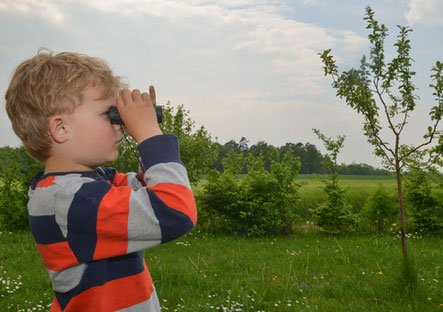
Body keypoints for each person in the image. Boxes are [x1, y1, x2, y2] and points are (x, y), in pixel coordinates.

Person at [4, 50, 197, 311]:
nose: (119, 124)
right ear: (61, 129)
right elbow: (174, 211)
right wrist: (149, 135)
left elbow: (150, 188)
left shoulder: (88, 184)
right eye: (110, 115)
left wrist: (144, 129)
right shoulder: (72, 200)